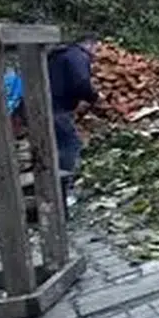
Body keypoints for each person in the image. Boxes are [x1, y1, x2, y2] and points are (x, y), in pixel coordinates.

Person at [47, 35, 99, 203]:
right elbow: (81, 83)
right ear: (90, 44)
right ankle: (63, 189)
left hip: (45, 106)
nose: (96, 53)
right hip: (59, 109)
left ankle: (51, 187)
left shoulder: (58, 54)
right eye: (96, 48)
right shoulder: (78, 56)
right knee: (70, 145)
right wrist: (94, 97)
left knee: (52, 147)